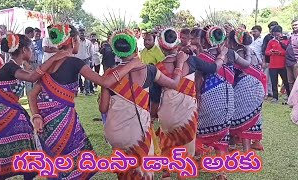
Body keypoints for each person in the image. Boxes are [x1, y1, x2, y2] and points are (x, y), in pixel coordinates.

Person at [28, 24, 142, 180]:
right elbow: (105, 82)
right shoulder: (74, 62)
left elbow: (32, 94)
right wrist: (132, 64)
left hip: (45, 124)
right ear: (73, 40)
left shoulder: (50, 63)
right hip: (64, 123)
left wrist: (36, 116)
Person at [99, 28, 189, 179]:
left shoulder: (109, 75)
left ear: (115, 50)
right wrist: (179, 63)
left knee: (125, 170)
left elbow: (103, 108)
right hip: (138, 133)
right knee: (144, 171)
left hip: (114, 132)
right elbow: (174, 84)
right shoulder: (150, 70)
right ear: (135, 46)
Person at [0, 33, 70, 180]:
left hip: (10, 114)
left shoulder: (14, 67)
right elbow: (32, 77)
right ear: (24, 50)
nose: (32, 51)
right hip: (1, 116)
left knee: (27, 155)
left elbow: (37, 74)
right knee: (14, 158)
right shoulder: (10, 67)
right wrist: (55, 58)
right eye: (30, 48)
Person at [150, 28, 228, 179]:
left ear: (160, 45)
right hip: (188, 115)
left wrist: (152, 116)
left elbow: (154, 99)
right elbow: (213, 68)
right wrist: (222, 55)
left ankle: (166, 173)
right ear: (177, 42)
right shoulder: (191, 61)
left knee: (167, 139)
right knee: (187, 149)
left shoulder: (156, 68)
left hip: (166, 115)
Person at [196, 25, 250, 180]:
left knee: (203, 130)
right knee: (223, 134)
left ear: (207, 39)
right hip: (228, 98)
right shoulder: (232, 54)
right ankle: (221, 172)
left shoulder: (203, 57)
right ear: (223, 38)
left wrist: (198, 96)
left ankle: (203, 161)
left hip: (209, 97)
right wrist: (247, 49)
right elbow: (247, 65)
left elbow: (198, 79)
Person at [228, 29, 265, 152]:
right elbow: (260, 63)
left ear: (234, 41)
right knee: (253, 115)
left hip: (243, 86)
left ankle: (242, 148)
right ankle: (254, 144)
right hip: (258, 85)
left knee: (241, 118)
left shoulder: (235, 53)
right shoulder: (252, 51)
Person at [265, 25, 290, 103]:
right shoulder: (271, 41)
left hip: (282, 65)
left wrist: (280, 53)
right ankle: (275, 97)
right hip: (273, 65)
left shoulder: (285, 41)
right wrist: (270, 52)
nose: (276, 35)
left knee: (286, 81)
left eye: (277, 33)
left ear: (280, 33)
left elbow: (288, 52)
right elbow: (266, 52)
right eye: (275, 33)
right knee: (274, 82)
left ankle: (289, 95)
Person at [75, 27, 94, 95]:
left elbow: (91, 52)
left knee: (87, 77)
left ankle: (87, 91)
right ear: (78, 33)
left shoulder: (88, 42)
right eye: (80, 32)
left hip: (86, 60)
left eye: (83, 32)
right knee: (76, 77)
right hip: (77, 60)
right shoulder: (75, 41)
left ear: (85, 33)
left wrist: (91, 61)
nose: (82, 34)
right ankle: (75, 92)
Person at [262, 21, 279, 98]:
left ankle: (273, 92)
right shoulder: (267, 37)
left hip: (279, 61)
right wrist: (264, 61)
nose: (273, 31)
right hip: (269, 61)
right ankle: (266, 92)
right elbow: (264, 50)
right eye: (271, 29)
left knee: (275, 78)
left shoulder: (281, 37)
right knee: (266, 77)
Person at [286, 19, 298, 91]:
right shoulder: (290, 35)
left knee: (297, 80)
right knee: (290, 81)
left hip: (296, 61)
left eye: (296, 25)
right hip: (288, 61)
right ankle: (291, 99)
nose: (294, 26)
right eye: (293, 25)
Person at [24, 27, 35, 95]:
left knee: (34, 80)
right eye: (33, 33)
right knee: (28, 82)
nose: (34, 34)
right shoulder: (24, 42)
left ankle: (33, 96)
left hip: (33, 63)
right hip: (28, 63)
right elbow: (23, 54)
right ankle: (30, 97)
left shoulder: (30, 41)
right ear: (30, 33)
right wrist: (26, 64)